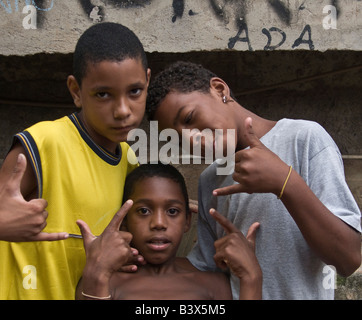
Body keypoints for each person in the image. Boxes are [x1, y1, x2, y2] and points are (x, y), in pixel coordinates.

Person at [145, 61, 362, 300]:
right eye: (179, 140)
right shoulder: (210, 181)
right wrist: (139, 264)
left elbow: (348, 259)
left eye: (189, 118)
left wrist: (285, 182)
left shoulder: (303, 139)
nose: (192, 139)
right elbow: (206, 269)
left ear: (219, 90)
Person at [0, 22, 150, 299]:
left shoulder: (128, 159)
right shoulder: (44, 144)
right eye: (103, 94)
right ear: (76, 91)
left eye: (134, 91)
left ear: (147, 82)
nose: (122, 110)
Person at [75, 163, 262, 300]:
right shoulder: (106, 281)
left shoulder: (213, 285)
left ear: (187, 221)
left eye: (172, 211)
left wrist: (251, 277)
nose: (158, 223)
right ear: (124, 222)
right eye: (143, 211)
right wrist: (97, 273)